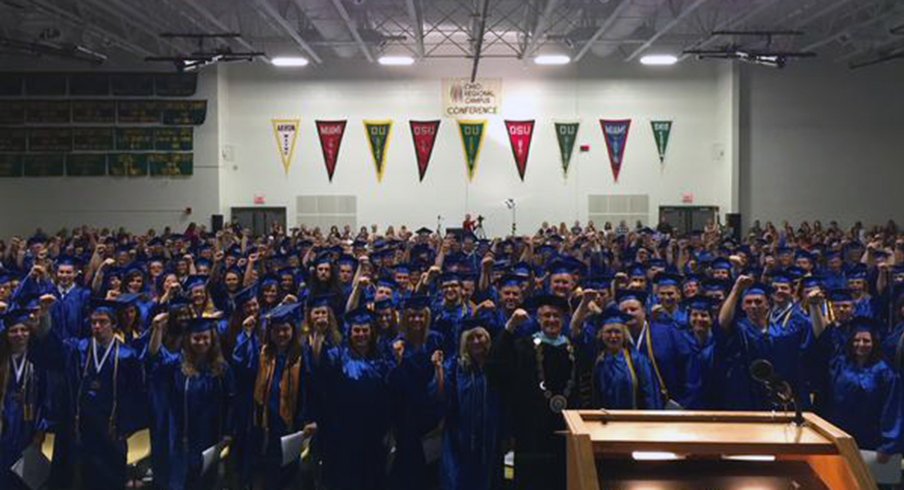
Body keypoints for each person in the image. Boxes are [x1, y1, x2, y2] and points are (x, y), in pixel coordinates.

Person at [32, 296, 147, 490]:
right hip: (79, 428)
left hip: (110, 429)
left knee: (108, 478)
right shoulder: (78, 349)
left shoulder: (128, 356)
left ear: (113, 324)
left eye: (102, 322)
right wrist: (45, 318)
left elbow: (136, 395)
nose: (97, 326)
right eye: (93, 322)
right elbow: (53, 350)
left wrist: (125, 427)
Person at [486, 294, 578, 490]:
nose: (551, 320)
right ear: (538, 318)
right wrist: (510, 327)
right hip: (528, 429)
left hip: (564, 428)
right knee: (519, 476)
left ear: (563, 319)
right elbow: (496, 367)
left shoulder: (573, 349)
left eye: (556, 316)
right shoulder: (524, 346)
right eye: (546, 316)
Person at [232, 301, 315, 490]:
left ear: (293, 330)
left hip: (289, 426)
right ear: (270, 332)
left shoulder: (301, 356)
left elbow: (309, 390)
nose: (281, 334)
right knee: (264, 473)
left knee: (288, 475)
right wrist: (247, 333)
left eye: (285, 329)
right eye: (276, 330)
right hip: (263, 426)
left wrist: (309, 419)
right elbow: (241, 365)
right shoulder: (263, 354)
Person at [147, 314, 235, 490]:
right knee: (181, 480)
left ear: (212, 340)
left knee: (206, 481)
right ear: (188, 339)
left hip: (210, 435)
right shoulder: (177, 365)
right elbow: (155, 355)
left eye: (205, 338)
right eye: (196, 338)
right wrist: (157, 329)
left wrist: (228, 431)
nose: (201, 342)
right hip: (183, 437)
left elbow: (230, 402)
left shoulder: (222, 369)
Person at [309, 307, 394, 490]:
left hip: (374, 432)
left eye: (365, 330)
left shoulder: (381, 358)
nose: (361, 334)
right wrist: (319, 334)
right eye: (356, 330)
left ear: (371, 332)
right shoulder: (339, 355)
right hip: (344, 432)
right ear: (349, 332)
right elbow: (318, 363)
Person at [432, 321, 504, 490]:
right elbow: (443, 395)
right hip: (460, 435)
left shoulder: (495, 365)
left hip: (490, 434)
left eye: (480, 336)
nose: (476, 341)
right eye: (471, 338)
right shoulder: (456, 366)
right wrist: (438, 369)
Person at [825, 317, 902, 463]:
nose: (861, 344)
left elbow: (891, 409)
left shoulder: (884, 372)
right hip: (842, 435)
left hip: (871, 440)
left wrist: (888, 445)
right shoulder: (840, 365)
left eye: (866, 341)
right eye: (856, 340)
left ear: (874, 343)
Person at [1, 305, 51, 490]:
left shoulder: (38, 362)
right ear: (6, 335)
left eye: (23, 330)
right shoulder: (2, 361)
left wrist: (40, 431)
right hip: (4, 427)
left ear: (30, 333)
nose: (19, 334)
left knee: (27, 480)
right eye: (13, 331)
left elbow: (47, 398)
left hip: (29, 427)